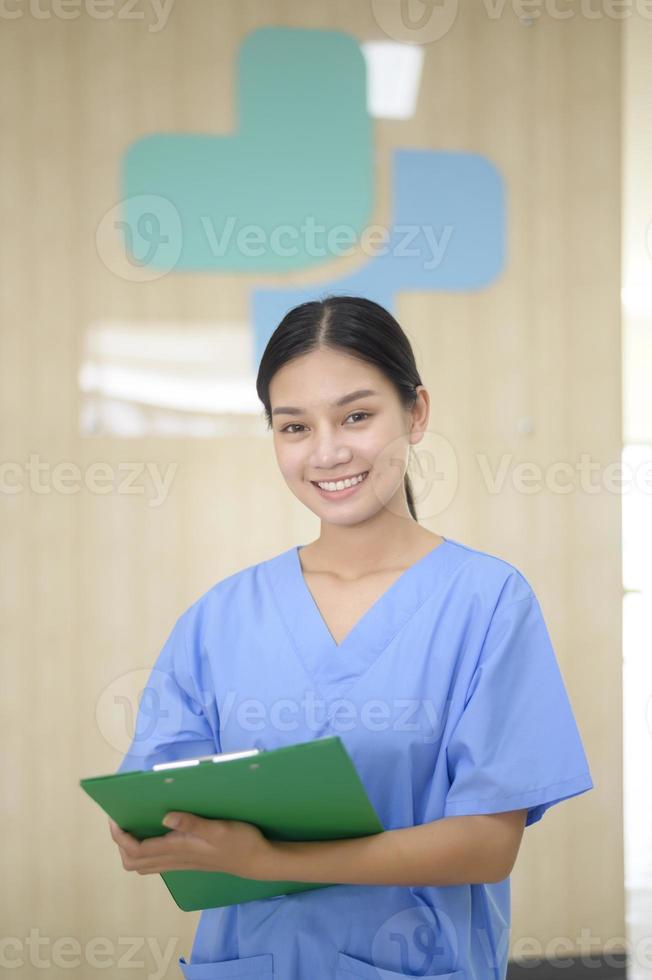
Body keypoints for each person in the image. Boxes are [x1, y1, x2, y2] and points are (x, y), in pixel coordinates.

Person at [109, 295, 594, 980]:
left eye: (357, 416)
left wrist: (272, 861)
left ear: (416, 413)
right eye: (294, 427)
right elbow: (155, 804)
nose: (328, 451)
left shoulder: (486, 602)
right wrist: (148, 835)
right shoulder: (219, 618)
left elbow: (487, 845)